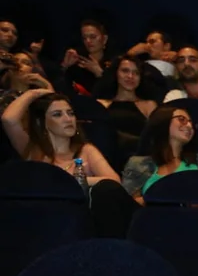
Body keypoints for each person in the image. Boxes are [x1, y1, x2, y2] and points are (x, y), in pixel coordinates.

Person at [2, 90, 135, 236]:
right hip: (42, 220)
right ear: (41, 121)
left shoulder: (86, 150)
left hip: (80, 220)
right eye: (57, 114)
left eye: (70, 113)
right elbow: (9, 119)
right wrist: (36, 93)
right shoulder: (32, 149)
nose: (68, 119)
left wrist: (77, 179)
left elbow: (113, 182)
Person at [95, 55, 159, 139]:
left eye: (136, 73)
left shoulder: (149, 105)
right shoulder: (100, 104)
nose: (130, 76)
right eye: (125, 71)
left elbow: (156, 137)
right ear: (115, 73)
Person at [61, 19, 116, 94]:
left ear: (105, 39)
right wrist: (65, 66)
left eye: (93, 37)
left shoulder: (114, 63)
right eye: (84, 38)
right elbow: (60, 88)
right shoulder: (77, 61)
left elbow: (115, 91)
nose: (88, 41)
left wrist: (100, 73)